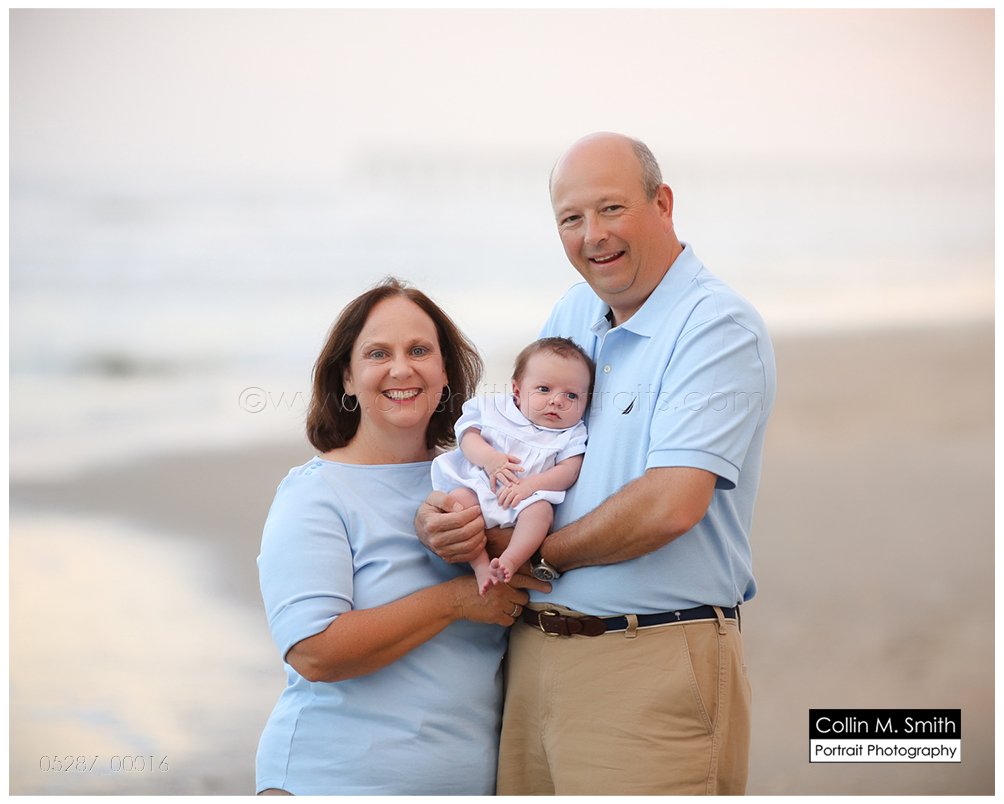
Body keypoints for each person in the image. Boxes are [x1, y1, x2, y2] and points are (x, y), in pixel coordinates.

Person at [416, 133, 776, 795]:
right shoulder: (573, 313)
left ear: (663, 203)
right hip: (530, 660)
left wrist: (535, 551)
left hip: (652, 662)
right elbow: (516, 441)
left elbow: (672, 503)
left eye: (611, 209)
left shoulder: (716, 328)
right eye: (571, 218)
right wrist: (451, 514)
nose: (593, 235)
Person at [255, 278, 547, 795]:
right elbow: (313, 653)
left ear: (444, 372)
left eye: (419, 350)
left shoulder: (478, 485)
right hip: (330, 780)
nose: (401, 368)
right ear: (347, 377)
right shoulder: (315, 493)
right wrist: (455, 601)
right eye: (377, 353)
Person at [431, 337, 593, 595]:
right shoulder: (495, 409)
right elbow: (467, 437)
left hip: (527, 498)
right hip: (484, 485)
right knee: (459, 503)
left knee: (541, 514)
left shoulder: (571, 433)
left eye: (571, 395)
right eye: (543, 389)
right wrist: (490, 459)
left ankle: (511, 559)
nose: (556, 401)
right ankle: (480, 563)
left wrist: (530, 486)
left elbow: (569, 471)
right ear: (517, 391)